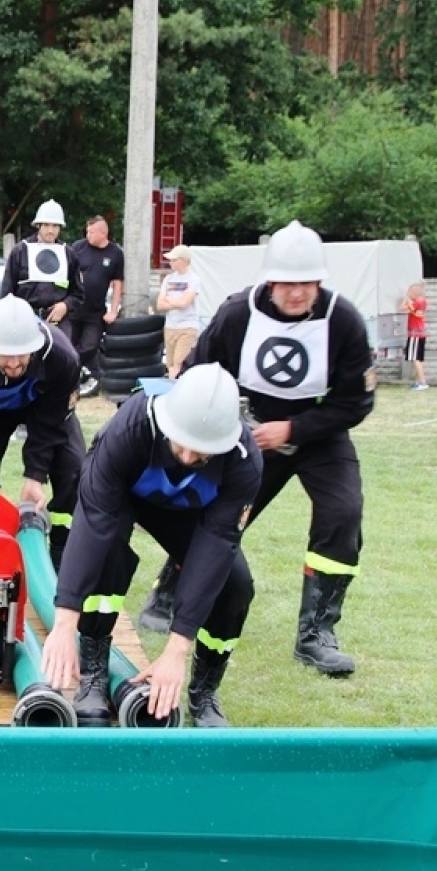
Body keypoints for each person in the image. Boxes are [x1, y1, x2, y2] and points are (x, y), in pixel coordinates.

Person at [140, 221, 374, 679]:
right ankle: (170, 590)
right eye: (288, 282)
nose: (297, 292)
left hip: (319, 436)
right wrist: (232, 427)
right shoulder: (236, 315)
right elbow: (194, 375)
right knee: (215, 515)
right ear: (271, 281)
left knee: (343, 514)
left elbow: (357, 401)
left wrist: (294, 428)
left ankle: (316, 634)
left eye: (307, 282)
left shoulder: (343, 321)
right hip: (245, 434)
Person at [41, 364, 260, 727]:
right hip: (124, 497)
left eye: (202, 453)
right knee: (106, 553)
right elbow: (94, 522)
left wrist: (176, 649)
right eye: (183, 446)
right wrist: (65, 623)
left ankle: (204, 692)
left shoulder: (243, 460)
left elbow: (216, 545)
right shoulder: (131, 428)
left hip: (191, 510)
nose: (189, 458)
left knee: (235, 587)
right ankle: (94, 668)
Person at [0, 294, 85, 565]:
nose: (13, 364)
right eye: (5, 357)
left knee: (73, 470)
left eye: (21, 355)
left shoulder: (62, 357)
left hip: (45, 409)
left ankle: (62, 551)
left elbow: (50, 425)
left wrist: (35, 475)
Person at [1, 199, 84, 327]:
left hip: (58, 322)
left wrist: (65, 305)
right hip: (24, 321)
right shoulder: (20, 251)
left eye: (55, 226)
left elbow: (78, 293)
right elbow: (6, 293)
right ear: (38, 225)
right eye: (46, 225)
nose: (50, 230)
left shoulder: (69, 254)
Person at [66, 214, 125, 395]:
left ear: (102, 233)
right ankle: (70, 381)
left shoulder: (115, 253)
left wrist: (114, 310)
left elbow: (117, 284)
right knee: (68, 345)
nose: (88, 235)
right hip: (74, 307)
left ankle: (78, 370)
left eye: (91, 232)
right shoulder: (77, 248)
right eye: (87, 231)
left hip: (96, 310)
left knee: (90, 346)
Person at [156, 244, 201, 378]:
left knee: (179, 362)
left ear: (184, 260)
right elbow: (160, 304)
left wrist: (169, 300)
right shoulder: (168, 279)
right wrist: (177, 302)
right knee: (170, 363)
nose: (171, 263)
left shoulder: (194, 279)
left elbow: (185, 303)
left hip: (187, 325)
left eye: (174, 260)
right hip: (170, 326)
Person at [401, 281, 429, 390]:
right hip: (421, 333)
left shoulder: (416, 303)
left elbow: (402, 307)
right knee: (419, 358)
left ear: (413, 292)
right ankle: (419, 381)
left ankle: (422, 382)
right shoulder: (424, 302)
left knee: (415, 358)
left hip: (415, 333)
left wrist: (406, 298)